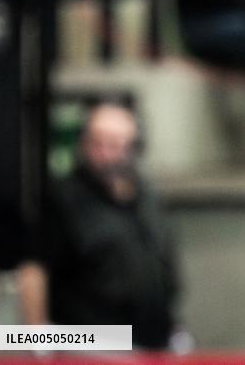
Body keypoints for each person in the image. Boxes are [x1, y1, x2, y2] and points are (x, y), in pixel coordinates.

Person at [17, 103, 180, 350]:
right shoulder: (62, 199)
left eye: (115, 144)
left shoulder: (147, 196)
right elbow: (33, 270)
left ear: (135, 148)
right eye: (97, 143)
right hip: (90, 344)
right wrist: (38, 343)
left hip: (155, 342)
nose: (105, 154)